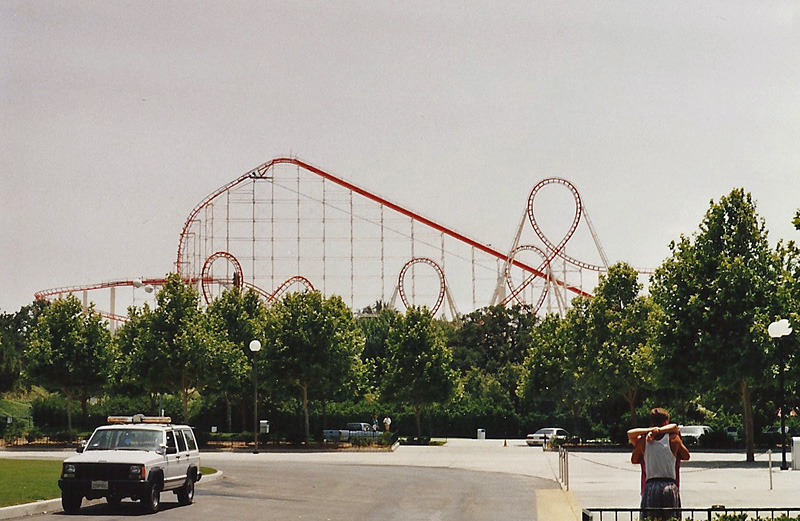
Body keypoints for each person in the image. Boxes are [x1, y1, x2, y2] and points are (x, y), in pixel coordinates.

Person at [627, 408, 690, 521]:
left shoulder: (643, 441)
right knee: (671, 518)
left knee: (650, 518)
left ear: (651, 422)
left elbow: (634, 459)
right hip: (669, 484)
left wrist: (651, 432)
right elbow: (686, 455)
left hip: (651, 485)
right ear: (666, 422)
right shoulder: (674, 440)